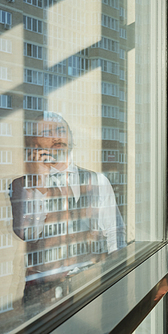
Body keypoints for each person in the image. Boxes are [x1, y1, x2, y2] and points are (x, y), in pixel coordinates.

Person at [7, 111, 126, 315]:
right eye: (47, 131)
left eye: (61, 130)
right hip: (42, 299)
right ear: (34, 143)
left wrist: (121, 282)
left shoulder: (97, 181)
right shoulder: (21, 186)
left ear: (71, 138)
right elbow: (29, 234)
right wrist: (40, 183)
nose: (56, 136)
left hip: (91, 288)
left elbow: (116, 236)